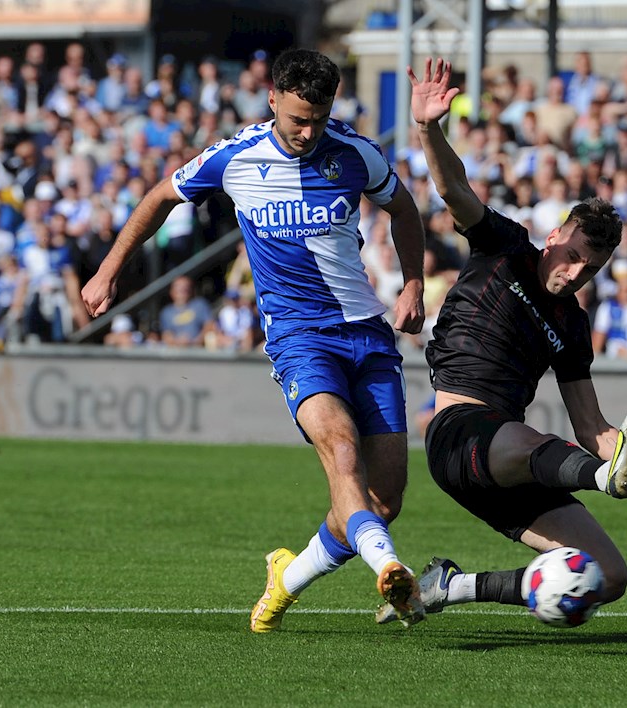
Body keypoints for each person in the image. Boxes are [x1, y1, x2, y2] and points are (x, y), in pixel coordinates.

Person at [80, 49, 432, 631]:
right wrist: (110, 268)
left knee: (383, 501)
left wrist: (414, 282)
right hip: (297, 337)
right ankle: (391, 568)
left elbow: (405, 209)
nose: (308, 131)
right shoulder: (236, 156)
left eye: (318, 118)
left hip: (366, 333)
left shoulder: (355, 153)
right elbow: (160, 197)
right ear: (273, 101)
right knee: (343, 457)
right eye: (297, 118)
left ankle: (286, 579)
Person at [374, 58, 627, 624]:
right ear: (556, 234)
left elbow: (592, 428)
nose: (576, 271)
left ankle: (450, 587)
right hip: (461, 438)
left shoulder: (571, 325)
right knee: (521, 436)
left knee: (607, 577)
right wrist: (427, 128)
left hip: (512, 467)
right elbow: (452, 187)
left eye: (592, 268)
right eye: (574, 255)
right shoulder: (505, 247)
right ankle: (605, 479)